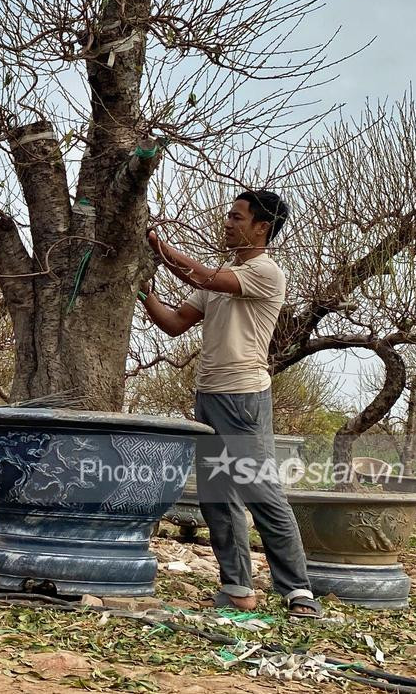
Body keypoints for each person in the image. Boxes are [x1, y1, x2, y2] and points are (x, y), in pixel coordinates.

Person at [138, 189, 322, 620]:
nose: (227, 223)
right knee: (217, 495)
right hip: (209, 395)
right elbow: (173, 324)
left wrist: (156, 245)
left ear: (262, 227)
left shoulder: (264, 272)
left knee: (260, 490)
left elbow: (202, 277)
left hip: (243, 397)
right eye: (228, 216)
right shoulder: (222, 279)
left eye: (237, 217)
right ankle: (238, 588)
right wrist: (142, 292)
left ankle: (298, 591)